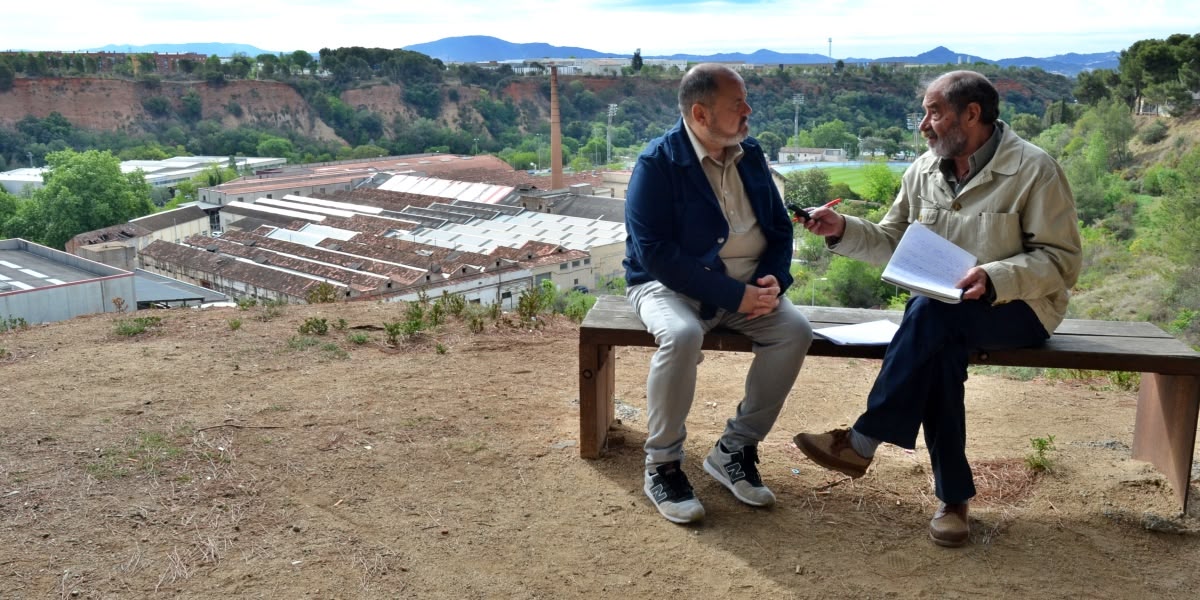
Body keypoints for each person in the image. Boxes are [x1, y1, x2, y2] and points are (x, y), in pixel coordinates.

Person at [793, 70, 1082, 546]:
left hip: (1021, 308)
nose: (923, 124)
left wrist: (995, 276)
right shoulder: (923, 170)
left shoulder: (1034, 169)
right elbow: (891, 239)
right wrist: (840, 227)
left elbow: (1062, 260)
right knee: (939, 347)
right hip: (943, 315)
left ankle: (863, 440)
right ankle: (953, 501)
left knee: (929, 315)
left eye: (934, 112)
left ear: (972, 114)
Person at [623, 63, 813, 524]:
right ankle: (662, 464)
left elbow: (778, 229)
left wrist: (774, 280)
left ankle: (734, 449)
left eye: (746, 101)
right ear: (701, 114)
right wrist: (733, 295)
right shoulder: (658, 164)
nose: (748, 111)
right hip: (670, 287)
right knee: (682, 335)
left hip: (749, 288)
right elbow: (656, 256)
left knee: (795, 331)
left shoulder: (749, 153)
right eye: (737, 104)